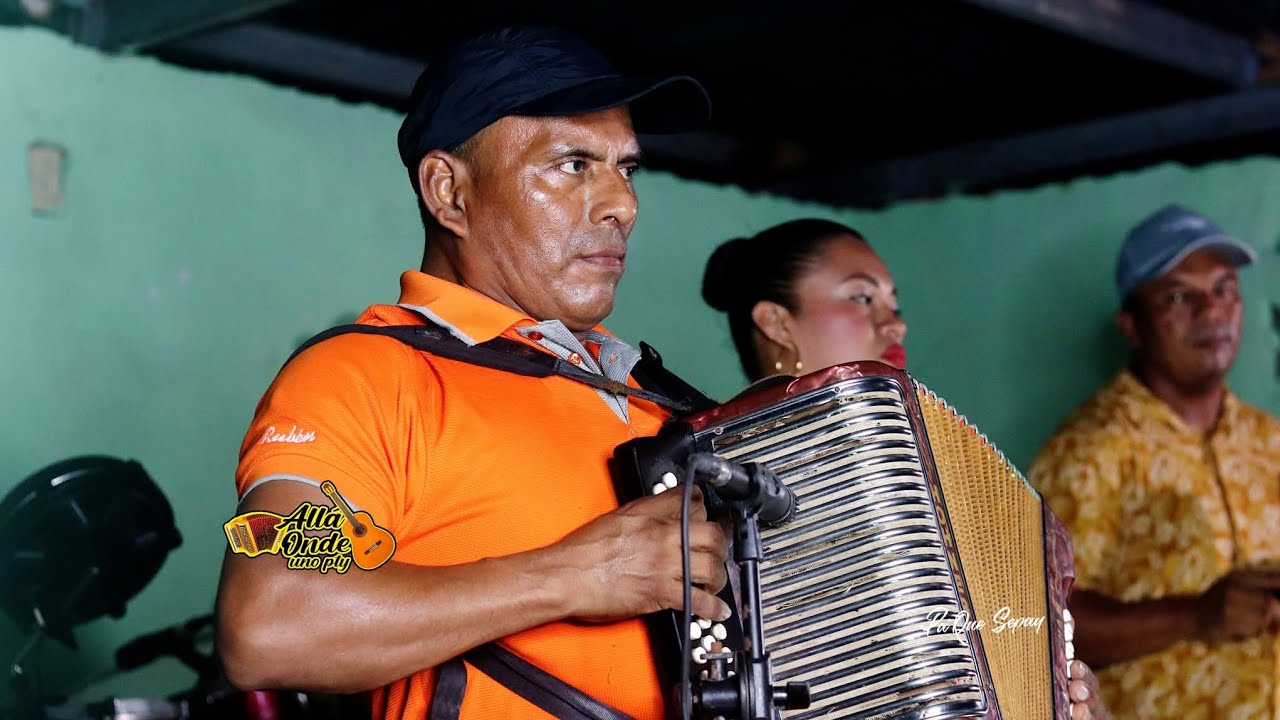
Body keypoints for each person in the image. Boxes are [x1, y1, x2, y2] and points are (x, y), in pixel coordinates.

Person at [215, 25, 730, 720]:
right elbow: (274, 621)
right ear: (449, 192)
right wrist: (576, 576)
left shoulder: (652, 394)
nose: (623, 205)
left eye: (626, 169)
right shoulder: (366, 376)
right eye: (573, 164)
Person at [702, 218, 1109, 720]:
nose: (895, 325)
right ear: (777, 324)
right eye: (862, 298)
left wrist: (1060, 696)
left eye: (895, 304)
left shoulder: (924, 472)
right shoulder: (721, 475)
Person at [1029, 204, 1280, 720]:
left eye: (1224, 289)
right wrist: (1197, 615)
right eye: (1179, 296)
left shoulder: (1268, 437)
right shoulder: (1090, 447)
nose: (1211, 311)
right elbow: (1036, 621)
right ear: (1131, 326)